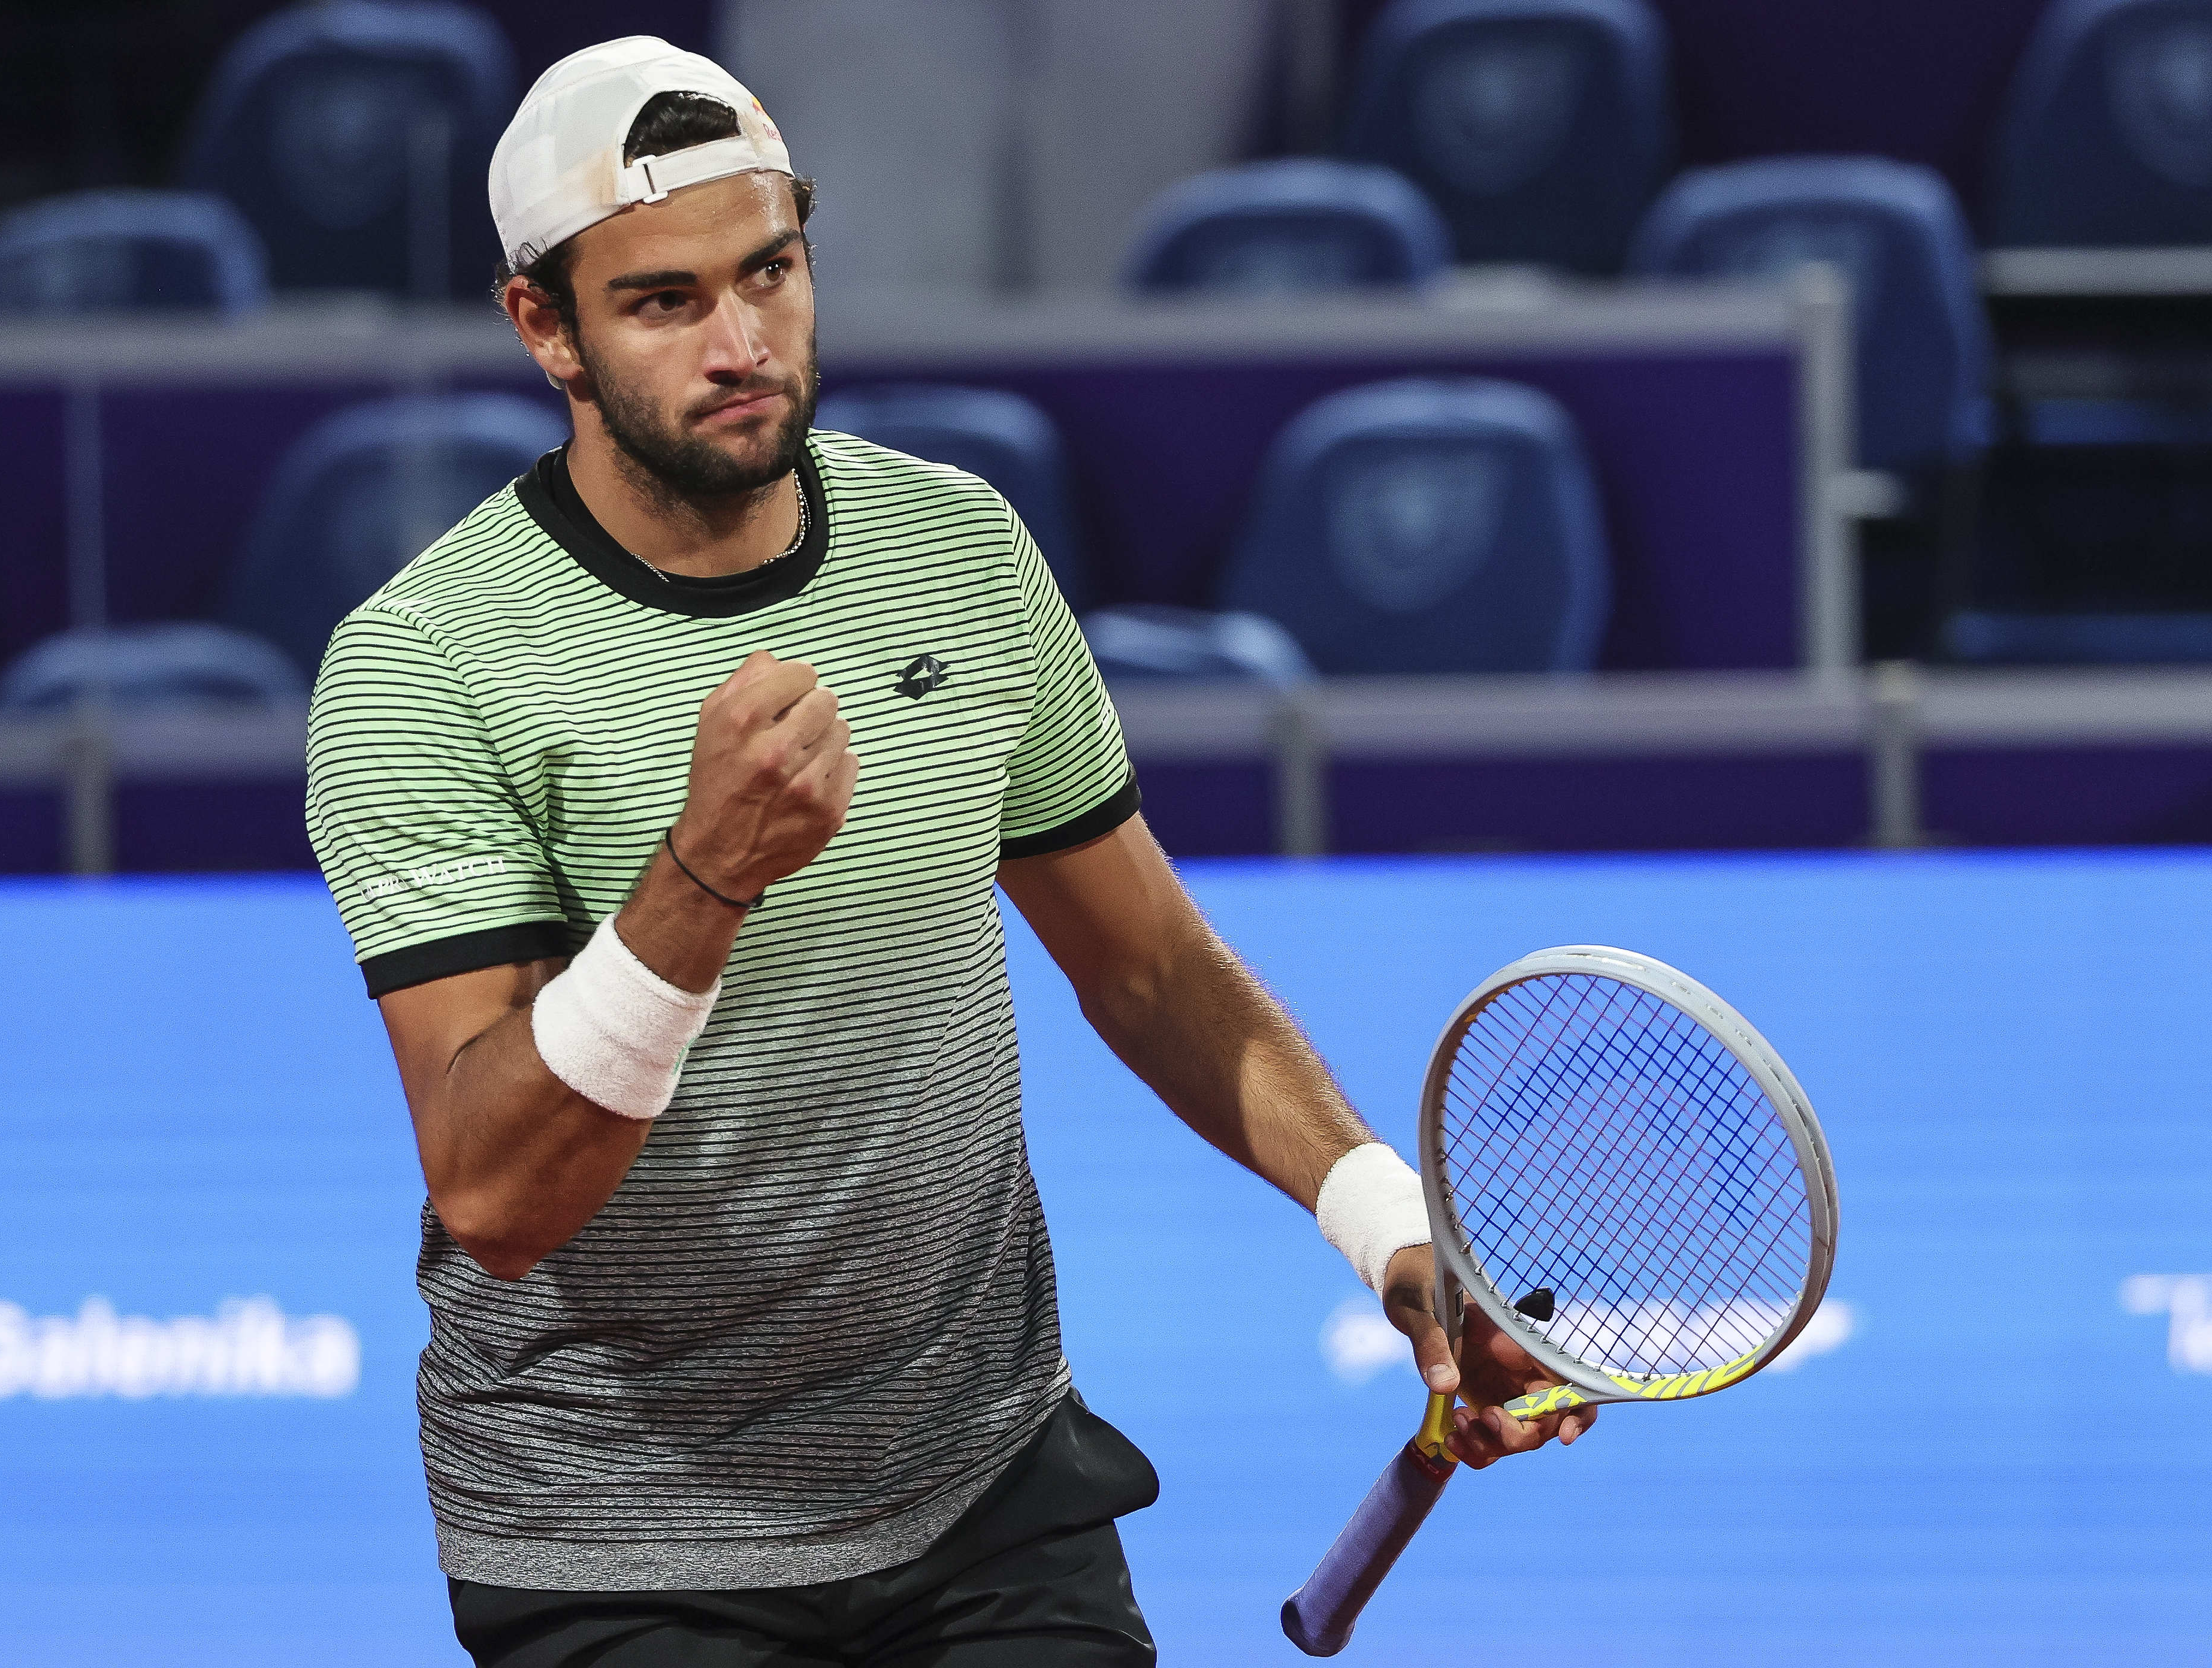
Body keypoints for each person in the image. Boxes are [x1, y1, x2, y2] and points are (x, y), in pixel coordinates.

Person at [303, 35, 1594, 1667]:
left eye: (770, 271)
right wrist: (699, 884)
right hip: (618, 1541)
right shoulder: (424, 663)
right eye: (664, 301)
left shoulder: (961, 551)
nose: (742, 339)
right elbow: (491, 1192)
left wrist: (1389, 1225)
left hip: (980, 1491)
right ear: (541, 327)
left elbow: (1146, 968)